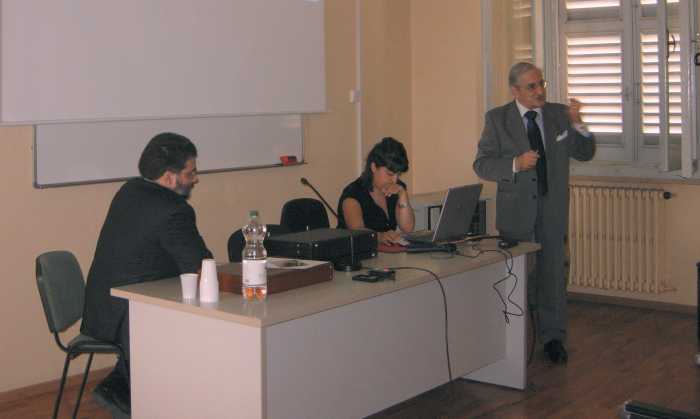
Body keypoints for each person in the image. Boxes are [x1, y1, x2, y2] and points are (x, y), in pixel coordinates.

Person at [81, 132, 212, 415]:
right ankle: (128, 391)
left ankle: (121, 386)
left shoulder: (129, 191)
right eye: (191, 172)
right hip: (130, 319)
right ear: (169, 177)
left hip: (103, 308)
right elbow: (200, 267)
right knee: (205, 327)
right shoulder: (174, 209)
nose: (196, 179)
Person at [473, 62, 595, 364]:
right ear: (515, 90)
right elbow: (482, 164)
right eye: (531, 86)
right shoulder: (497, 119)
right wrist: (514, 164)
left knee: (553, 276)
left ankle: (553, 338)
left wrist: (578, 122)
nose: (540, 91)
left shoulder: (557, 114)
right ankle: (514, 338)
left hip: (552, 209)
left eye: (541, 83)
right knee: (518, 277)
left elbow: (585, 152)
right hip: (516, 213)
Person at [337, 137, 415, 245]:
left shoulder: (397, 188)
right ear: (373, 167)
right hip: (356, 255)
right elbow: (357, 232)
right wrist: (379, 236)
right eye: (390, 174)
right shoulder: (353, 194)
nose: (395, 180)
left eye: (398, 174)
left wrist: (402, 194)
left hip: (385, 254)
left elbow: (407, 228)